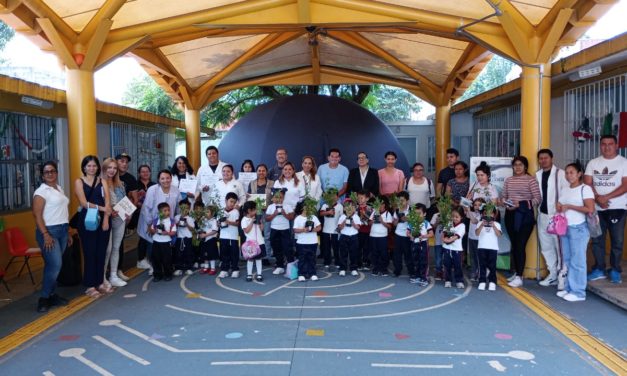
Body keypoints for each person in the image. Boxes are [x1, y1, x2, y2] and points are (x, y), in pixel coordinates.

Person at [584, 135, 627, 284]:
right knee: (597, 240)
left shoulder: (624, 162)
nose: (607, 147)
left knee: (617, 241)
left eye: (610, 144)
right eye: (603, 144)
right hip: (595, 209)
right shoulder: (593, 163)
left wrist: (605, 197)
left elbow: (625, 185)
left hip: (618, 208)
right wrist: (597, 198)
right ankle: (599, 269)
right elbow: (588, 183)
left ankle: (615, 270)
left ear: (616, 146)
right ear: (600, 146)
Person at [32, 161, 71, 312]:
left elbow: (61, 212)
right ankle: (44, 298)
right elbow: (37, 215)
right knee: (55, 265)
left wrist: (67, 232)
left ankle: (52, 294)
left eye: (52, 171)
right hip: (49, 232)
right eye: (47, 172)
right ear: (42, 175)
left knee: (56, 265)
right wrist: (46, 235)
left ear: (56, 172)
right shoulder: (42, 192)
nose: (50, 174)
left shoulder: (58, 189)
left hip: (62, 230)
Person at [557, 162, 595, 302]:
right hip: (565, 227)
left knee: (578, 261)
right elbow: (560, 205)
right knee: (568, 260)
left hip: (579, 228)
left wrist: (570, 206)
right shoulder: (565, 189)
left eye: (571, 172)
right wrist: (560, 206)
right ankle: (568, 288)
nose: (568, 175)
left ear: (580, 174)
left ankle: (579, 292)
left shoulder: (585, 189)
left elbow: (589, 209)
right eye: (567, 172)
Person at [74, 156, 111, 298]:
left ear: (98, 167)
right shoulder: (79, 181)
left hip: (102, 219)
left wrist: (106, 219)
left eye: (94, 166)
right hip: (87, 220)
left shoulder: (103, 181)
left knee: (101, 251)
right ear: (84, 167)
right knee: (90, 252)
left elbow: (108, 201)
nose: (91, 168)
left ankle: (100, 282)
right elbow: (83, 203)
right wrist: (103, 209)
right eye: (88, 166)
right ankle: (90, 285)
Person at [501, 156, 541, 288]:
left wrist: (521, 204)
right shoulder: (508, 180)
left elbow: (537, 198)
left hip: (524, 217)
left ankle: (519, 276)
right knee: (514, 244)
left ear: (525, 167)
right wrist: (505, 203)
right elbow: (503, 196)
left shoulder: (531, 180)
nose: (518, 167)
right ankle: (517, 272)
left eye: (520, 165)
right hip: (510, 215)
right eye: (515, 165)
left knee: (520, 245)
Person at [138, 170, 180, 276]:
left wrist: (175, 221)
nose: (165, 180)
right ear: (158, 180)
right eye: (162, 178)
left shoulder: (175, 190)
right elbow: (146, 208)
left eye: (167, 178)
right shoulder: (153, 189)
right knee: (153, 245)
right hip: (152, 221)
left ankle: (166, 267)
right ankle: (154, 266)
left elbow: (178, 207)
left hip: (168, 223)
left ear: (171, 179)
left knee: (166, 246)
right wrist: (149, 224)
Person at [535, 149, 568, 288]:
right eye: (541, 158)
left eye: (546, 158)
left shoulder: (560, 174)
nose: (543, 160)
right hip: (542, 215)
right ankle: (553, 274)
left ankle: (562, 275)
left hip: (556, 217)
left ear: (552, 158)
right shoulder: (537, 174)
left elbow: (566, 192)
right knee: (546, 247)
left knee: (559, 247)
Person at [101, 158, 128, 288]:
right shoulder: (100, 183)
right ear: (104, 169)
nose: (112, 170)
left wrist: (128, 212)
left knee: (116, 247)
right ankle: (102, 278)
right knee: (107, 249)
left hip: (120, 218)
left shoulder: (120, 184)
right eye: (109, 168)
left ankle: (113, 275)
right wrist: (110, 211)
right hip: (106, 219)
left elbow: (124, 201)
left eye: (114, 168)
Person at [115, 153, 138, 281]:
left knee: (119, 244)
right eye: (121, 161)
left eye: (126, 162)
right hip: (108, 215)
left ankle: (118, 270)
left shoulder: (130, 178)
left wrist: (129, 213)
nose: (124, 164)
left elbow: (135, 199)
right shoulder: (109, 176)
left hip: (122, 216)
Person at [248, 164, 274, 262]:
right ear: (256, 172)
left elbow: (274, 197)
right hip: (256, 212)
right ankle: (256, 255)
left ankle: (267, 256)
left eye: (263, 170)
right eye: (259, 170)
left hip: (268, 212)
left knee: (267, 235)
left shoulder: (272, 183)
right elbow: (249, 197)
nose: (261, 172)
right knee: (256, 234)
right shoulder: (252, 183)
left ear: (266, 172)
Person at [266, 189, 295, 275]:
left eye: (281, 197)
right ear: (273, 198)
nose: (279, 199)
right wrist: (274, 214)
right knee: (276, 248)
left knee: (287, 248)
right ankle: (280, 266)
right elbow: (267, 219)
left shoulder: (287, 206)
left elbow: (291, 218)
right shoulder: (271, 207)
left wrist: (284, 213)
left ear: (284, 198)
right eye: (277, 197)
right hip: (274, 230)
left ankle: (291, 267)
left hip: (285, 230)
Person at [475, 202, 502, 291]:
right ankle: (482, 281)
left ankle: (492, 282)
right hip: (482, 247)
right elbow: (477, 233)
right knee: (482, 265)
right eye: (486, 213)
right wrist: (482, 225)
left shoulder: (497, 224)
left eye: (490, 213)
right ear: (483, 214)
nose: (488, 215)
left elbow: (499, 235)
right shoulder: (480, 223)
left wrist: (493, 226)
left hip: (493, 248)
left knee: (492, 266)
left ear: (494, 215)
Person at [293, 201, 321, 281]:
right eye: (306, 206)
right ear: (302, 208)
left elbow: (319, 227)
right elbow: (295, 230)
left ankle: (312, 273)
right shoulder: (298, 218)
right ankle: (301, 274)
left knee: (312, 259)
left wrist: (313, 230)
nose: (308, 208)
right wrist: (303, 230)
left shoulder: (313, 217)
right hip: (301, 243)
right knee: (302, 259)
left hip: (313, 242)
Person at [148, 202, 176, 282]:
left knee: (167, 259)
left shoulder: (171, 221)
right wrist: (155, 230)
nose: (167, 212)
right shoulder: (156, 220)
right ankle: (157, 274)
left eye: (168, 210)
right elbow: (152, 230)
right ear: (160, 212)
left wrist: (167, 233)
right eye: (165, 210)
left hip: (166, 242)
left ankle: (168, 274)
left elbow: (173, 232)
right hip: (156, 242)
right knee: (156, 259)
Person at [135, 165, 156, 270]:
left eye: (147, 171)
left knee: (151, 236)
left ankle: (149, 259)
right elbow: (131, 198)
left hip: (151, 214)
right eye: (142, 172)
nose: (145, 173)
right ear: (139, 173)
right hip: (138, 213)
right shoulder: (136, 184)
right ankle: (141, 259)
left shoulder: (154, 185)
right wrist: (138, 203)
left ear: (150, 172)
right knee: (142, 237)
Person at [407, 203, 433, 286]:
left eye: (419, 213)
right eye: (415, 214)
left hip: (423, 244)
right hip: (414, 243)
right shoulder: (412, 223)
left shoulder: (426, 223)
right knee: (415, 260)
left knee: (423, 261)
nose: (417, 216)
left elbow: (431, 233)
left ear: (424, 214)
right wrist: (410, 236)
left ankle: (424, 278)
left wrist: (424, 236)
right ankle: (417, 276)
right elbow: (408, 232)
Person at [241, 200, 266, 282]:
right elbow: (247, 230)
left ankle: (259, 274)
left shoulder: (257, 218)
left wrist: (261, 223)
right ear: (249, 210)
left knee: (259, 259)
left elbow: (262, 229)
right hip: (250, 244)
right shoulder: (244, 220)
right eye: (254, 209)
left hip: (260, 242)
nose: (256, 211)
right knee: (250, 259)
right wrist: (252, 221)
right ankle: (249, 274)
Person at [218, 192, 241, 279]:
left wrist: (228, 222)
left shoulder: (236, 212)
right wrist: (219, 223)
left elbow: (237, 223)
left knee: (234, 253)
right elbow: (218, 224)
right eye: (231, 201)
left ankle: (235, 269)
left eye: (234, 202)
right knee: (224, 253)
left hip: (233, 236)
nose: (232, 204)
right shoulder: (220, 211)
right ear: (226, 201)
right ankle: (224, 269)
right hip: (223, 236)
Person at [369, 196, 393, 276]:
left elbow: (390, 227)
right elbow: (369, 223)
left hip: (383, 236)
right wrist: (372, 221)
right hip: (373, 235)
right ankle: (375, 268)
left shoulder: (387, 214)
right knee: (374, 253)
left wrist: (382, 221)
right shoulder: (374, 212)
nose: (379, 205)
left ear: (384, 205)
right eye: (377, 203)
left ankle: (383, 269)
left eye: (380, 203)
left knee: (383, 253)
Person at [442, 207, 466, 289]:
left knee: (457, 265)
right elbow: (444, 233)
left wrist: (448, 240)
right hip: (447, 249)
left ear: (461, 217)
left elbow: (456, 236)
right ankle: (447, 280)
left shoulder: (462, 226)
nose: (454, 218)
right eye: (453, 216)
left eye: (457, 217)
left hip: (457, 250)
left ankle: (459, 281)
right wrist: (444, 239)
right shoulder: (448, 223)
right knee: (447, 265)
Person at [337, 199, 361, 276]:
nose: (349, 209)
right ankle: (343, 268)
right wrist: (344, 221)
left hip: (353, 237)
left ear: (354, 208)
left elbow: (358, 227)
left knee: (353, 253)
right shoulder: (342, 216)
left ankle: (353, 268)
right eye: (347, 207)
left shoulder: (356, 216)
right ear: (344, 208)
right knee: (343, 253)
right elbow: (339, 228)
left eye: (352, 207)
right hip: (344, 236)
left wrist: (353, 223)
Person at [319, 188, 342, 269]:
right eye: (330, 195)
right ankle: (327, 261)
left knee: (336, 247)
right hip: (326, 230)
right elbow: (321, 213)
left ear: (337, 197)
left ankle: (337, 261)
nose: (332, 197)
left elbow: (342, 217)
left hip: (335, 231)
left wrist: (339, 228)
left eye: (334, 195)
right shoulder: (325, 205)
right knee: (326, 247)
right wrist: (328, 212)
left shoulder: (340, 206)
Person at [392, 191, 412, 278]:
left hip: (407, 236)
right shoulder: (397, 210)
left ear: (407, 201)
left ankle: (411, 271)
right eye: (399, 201)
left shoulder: (412, 210)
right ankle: (397, 270)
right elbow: (394, 224)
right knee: (397, 254)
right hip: (398, 235)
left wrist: (407, 219)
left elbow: (415, 223)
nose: (401, 203)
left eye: (402, 200)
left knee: (408, 254)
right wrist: (398, 219)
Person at [173, 200, 194, 276]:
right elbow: (174, 227)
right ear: (180, 208)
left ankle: (188, 268)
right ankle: (179, 268)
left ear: (189, 209)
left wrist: (186, 223)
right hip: (179, 238)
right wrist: (179, 222)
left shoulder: (190, 218)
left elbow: (192, 229)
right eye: (183, 208)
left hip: (187, 238)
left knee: (188, 253)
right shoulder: (176, 217)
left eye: (186, 208)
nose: (185, 210)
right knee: (178, 253)